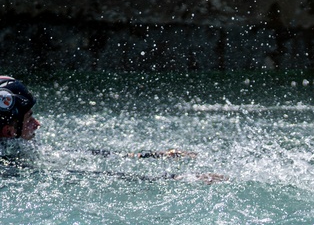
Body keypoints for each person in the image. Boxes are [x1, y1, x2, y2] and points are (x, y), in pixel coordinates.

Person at [0, 76, 225, 184]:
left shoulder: (12, 148)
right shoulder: (8, 168)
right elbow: (81, 176)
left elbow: (71, 155)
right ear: (10, 131)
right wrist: (178, 179)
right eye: (29, 118)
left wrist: (151, 155)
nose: (38, 124)